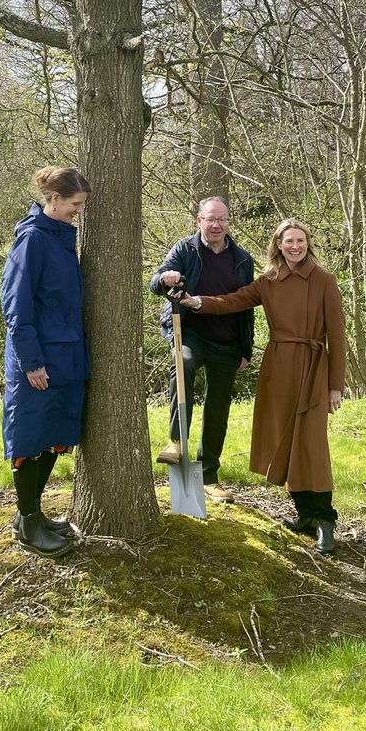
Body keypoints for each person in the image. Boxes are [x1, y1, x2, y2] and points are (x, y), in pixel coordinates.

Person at [180, 218, 346, 553]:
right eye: (289, 241)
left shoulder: (325, 280)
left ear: (307, 243)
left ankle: (325, 520)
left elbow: (338, 337)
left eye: (300, 240)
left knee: (311, 446)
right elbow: (233, 300)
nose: (295, 246)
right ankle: (305, 517)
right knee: (284, 444)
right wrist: (198, 302)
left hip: (313, 369)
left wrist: (335, 386)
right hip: (278, 370)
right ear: (279, 245)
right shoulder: (268, 281)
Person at [0, 167, 91, 557]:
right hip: (38, 361)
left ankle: (30, 516)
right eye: (75, 205)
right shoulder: (32, 240)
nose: (79, 212)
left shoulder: (61, 238)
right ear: (53, 200)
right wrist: (31, 362)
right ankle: (28, 523)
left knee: (54, 435)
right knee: (30, 438)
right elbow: (16, 307)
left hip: (67, 356)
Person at [149, 197, 255, 502]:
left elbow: (247, 306)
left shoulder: (242, 259)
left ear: (228, 223)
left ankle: (209, 474)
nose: (216, 225)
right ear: (199, 221)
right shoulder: (185, 249)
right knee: (183, 366)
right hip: (191, 334)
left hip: (228, 341)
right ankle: (175, 441)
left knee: (218, 408)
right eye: (211, 219)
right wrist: (165, 278)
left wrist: (245, 349)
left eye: (222, 220)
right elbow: (155, 282)